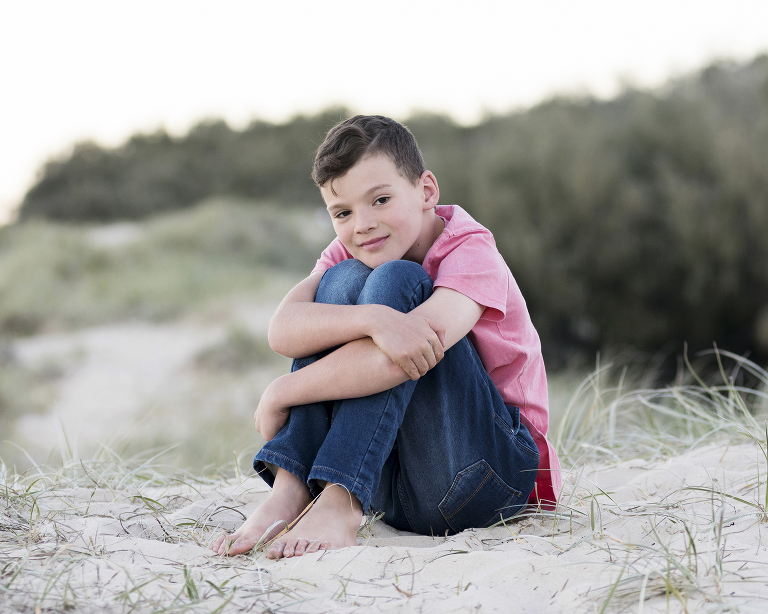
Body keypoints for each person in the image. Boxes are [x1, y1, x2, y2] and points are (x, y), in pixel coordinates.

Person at [210, 115, 561, 560]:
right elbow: (284, 329)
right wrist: (372, 319)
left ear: (426, 191)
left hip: (487, 479)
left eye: (380, 199)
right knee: (339, 283)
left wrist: (283, 391)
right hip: (395, 489)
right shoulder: (351, 251)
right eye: (343, 212)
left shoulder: (471, 251)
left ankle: (339, 501)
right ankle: (292, 487)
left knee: (399, 279)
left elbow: (405, 355)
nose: (362, 225)